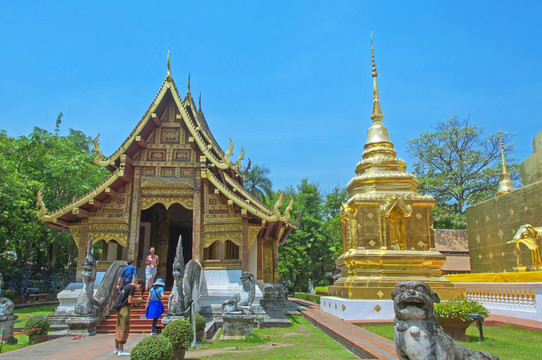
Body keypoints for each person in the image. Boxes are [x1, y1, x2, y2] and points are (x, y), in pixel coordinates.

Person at [114, 279, 145, 356]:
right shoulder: (132, 287)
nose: (138, 290)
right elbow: (130, 301)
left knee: (118, 328)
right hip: (124, 310)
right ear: (139, 285)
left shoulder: (127, 286)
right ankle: (121, 350)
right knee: (124, 328)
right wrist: (138, 300)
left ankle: (117, 348)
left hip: (119, 309)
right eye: (139, 288)